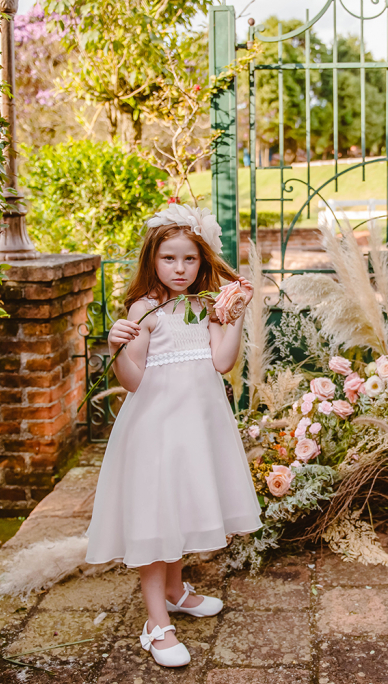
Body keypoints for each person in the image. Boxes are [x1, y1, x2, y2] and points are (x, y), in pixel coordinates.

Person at [85, 204, 263, 667]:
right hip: (157, 428)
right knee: (155, 515)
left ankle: (175, 589)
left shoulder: (205, 307)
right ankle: (156, 621)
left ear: (202, 261)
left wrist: (237, 314)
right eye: (169, 259)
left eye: (189, 259)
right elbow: (134, 380)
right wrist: (115, 347)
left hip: (198, 427)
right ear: (152, 260)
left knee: (180, 505)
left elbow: (222, 362)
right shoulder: (145, 310)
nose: (179, 269)